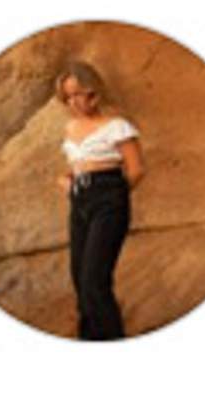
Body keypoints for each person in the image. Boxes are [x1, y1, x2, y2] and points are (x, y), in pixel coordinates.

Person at [53, 58, 142, 337]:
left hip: (108, 199)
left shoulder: (117, 125)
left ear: (93, 91)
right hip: (79, 199)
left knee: (95, 282)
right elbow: (80, 163)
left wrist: (112, 195)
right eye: (68, 96)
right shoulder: (70, 128)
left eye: (78, 93)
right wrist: (68, 180)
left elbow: (137, 169)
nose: (74, 101)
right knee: (80, 280)